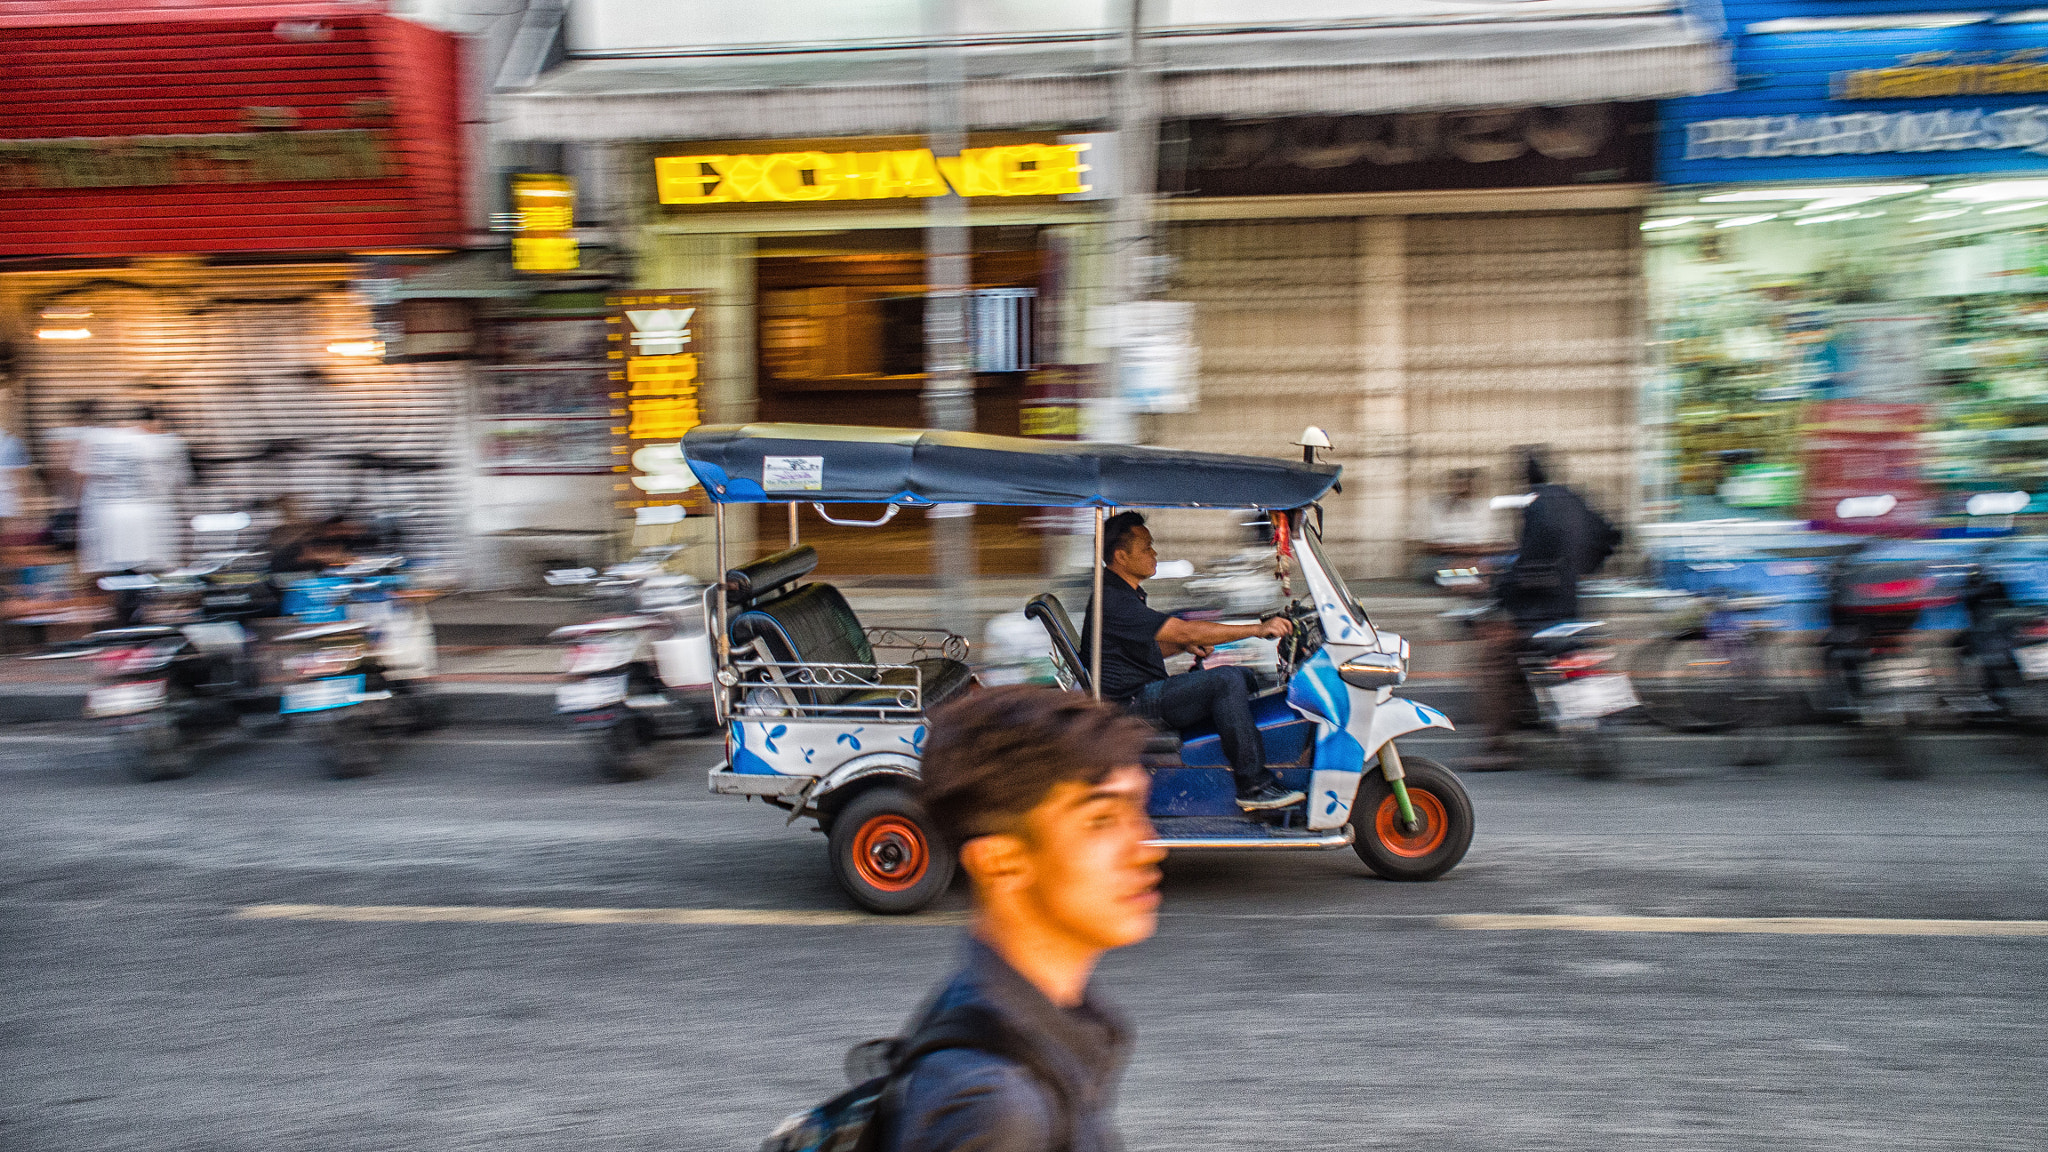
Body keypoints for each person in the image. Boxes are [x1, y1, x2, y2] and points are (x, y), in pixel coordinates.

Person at [888, 686, 1164, 1152]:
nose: (1149, 847)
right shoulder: (996, 1111)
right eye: (1100, 820)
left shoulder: (1015, 1019)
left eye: (1138, 810)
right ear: (999, 861)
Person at [1080, 511, 1302, 811]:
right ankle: (1253, 784)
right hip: (1131, 703)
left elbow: (1138, 651)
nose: (1154, 553)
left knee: (1245, 677)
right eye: (1146, 547)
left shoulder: (1123, 593)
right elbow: (1182, 628)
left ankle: (1241, 760)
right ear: (1121, 556)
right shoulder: (1114, 598)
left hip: (1140, 689)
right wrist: (1259, 628)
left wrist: (1184, 647)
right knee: (1226, 680)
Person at [1472, 445, 1623, 768]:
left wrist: (1497, 597)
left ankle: (1497, 748)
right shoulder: (1572, 499)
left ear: (1523, 477)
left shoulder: (1536, 507)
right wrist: (1582, 568)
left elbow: (1528, 563)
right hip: (1571, 607)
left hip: (1540, 613)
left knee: (1494, 659)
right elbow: (1612, 535)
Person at [73, 404, 191, 575]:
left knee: (121, 571)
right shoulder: (165, 444)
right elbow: (180, 483)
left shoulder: (99, 439)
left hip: (110, 514)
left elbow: (81, 476)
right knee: (148, 569)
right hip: (152, 515)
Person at [1410, 467, 1510, 584]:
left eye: (1466, 483)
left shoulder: (1487, 507)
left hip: (1479, 560)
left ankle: (1467, 577)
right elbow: (1427, 545)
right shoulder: (1435, 507)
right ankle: (1469, 577)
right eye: (1457, 483)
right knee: (1430, 569)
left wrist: (1473, 551)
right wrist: (1460, 550)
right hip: (1445, 561)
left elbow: (1503, 545)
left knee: (1500, 564)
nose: (1461, 488)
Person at [40, 399, 101, 551]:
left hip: (68, 501)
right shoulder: (96, 436)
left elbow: (53, 470)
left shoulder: (59, 435)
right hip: (87, 501)